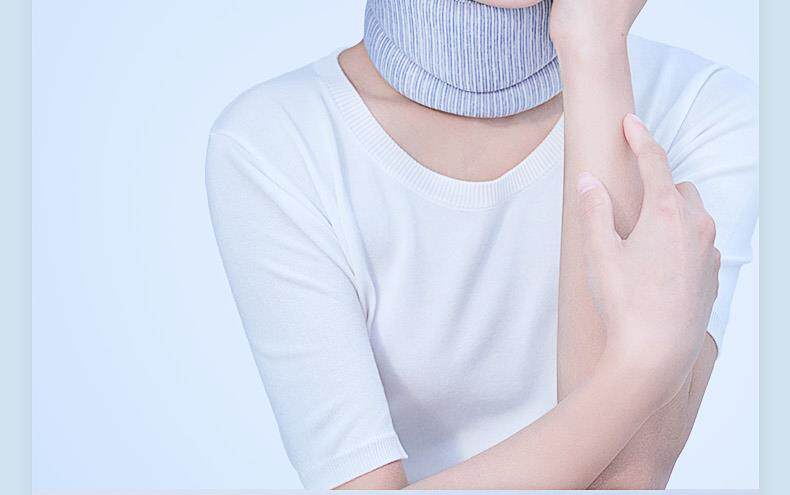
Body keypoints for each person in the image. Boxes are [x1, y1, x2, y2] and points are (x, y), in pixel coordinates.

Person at [206, 0, 757, 489]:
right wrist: (640, 364)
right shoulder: (275, 141)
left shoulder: (703, 107)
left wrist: (593, 45)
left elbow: (625, 481)